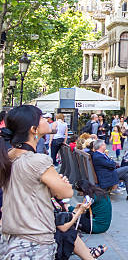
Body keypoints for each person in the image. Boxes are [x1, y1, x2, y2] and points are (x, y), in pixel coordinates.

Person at [0, 105, 73, 257]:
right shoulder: (38, 161)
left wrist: (50, 185)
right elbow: (66, 193)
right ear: (34, 129)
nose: (46, 120)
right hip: (34, 240)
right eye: (41, 118)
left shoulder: (9, 156)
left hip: (11, 239)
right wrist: (60, 183)